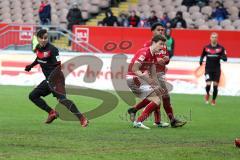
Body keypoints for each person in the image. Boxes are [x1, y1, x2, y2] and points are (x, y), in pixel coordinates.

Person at [25, 29, 88, 127]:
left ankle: (82, 118)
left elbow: (58, 66)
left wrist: (51, 79)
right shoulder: (38, 48)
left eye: (45, 38)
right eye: (41, 38)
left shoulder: (53, 49)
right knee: (33, 96)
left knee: (62, 100)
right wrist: (31, 65)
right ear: (38, 39)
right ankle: (52, 112)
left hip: (57, 79)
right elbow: (39, 58)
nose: (43, 40)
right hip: (48, 80)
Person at [128, 22, 187, 128]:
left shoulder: (163, 45)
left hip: (159, 73)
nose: (161, 31)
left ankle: (139, 112)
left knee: (159, 97)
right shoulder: (148, 45)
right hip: (151, 74)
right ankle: (169, 120)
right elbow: (145, 63)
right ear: (153, 31)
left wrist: (166, 60)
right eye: (158, 30)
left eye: (162, 30)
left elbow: (164, 60)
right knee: (162, 96)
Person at [127, 34, 166, 129]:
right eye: (160, 44)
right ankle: (138, 121)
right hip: (134, 79)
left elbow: (152, 73)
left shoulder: (153, 56)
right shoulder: (144, 52)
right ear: (153, 43)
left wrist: (157, 85)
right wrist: (146, 78)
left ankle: (135, 110)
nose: (162, 47)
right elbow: (135, 68)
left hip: (139, 79)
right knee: (156, 100)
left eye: (163, 45)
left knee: (157, 95)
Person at [199, 32, 227, 105]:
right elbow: (202, 55)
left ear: (217, 38)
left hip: (216, 69)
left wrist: (219, 56)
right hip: (208, 69)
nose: (214, 38)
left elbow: (225, 58)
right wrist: (201, 60)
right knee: (208, 84)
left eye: (215, 37)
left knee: (215, 85)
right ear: (210, 38)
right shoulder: (206, 47)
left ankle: (213, 100)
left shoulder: (221, 48)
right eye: (212, 37)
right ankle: (207, 94)